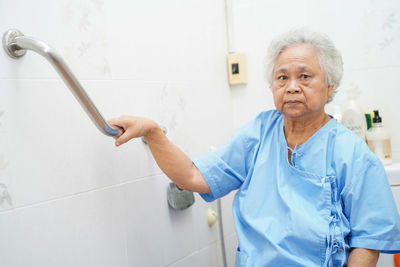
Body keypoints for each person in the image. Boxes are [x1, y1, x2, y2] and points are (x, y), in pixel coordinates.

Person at [108, 28, 400, 267]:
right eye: (282, 77)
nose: (292, 86)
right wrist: (153, 132)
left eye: (305, 76)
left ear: (329, 86)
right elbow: (193, 176)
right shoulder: (259, 133)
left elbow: (368, 241)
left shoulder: (353, 154)